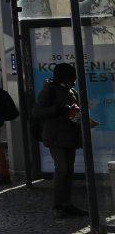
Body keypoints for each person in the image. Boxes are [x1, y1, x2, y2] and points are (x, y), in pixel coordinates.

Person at [33, 63, 86, 219]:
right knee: (62, 169)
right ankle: (58, 205)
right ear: (64, 77)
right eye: (72, 76)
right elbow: (37, 111)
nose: (74, 79)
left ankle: (67, 204)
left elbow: (75, 113)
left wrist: (82, 119)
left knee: (68, 170)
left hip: (70, 136)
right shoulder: (49, 90)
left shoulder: (71, 91)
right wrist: (57, 109)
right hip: (55, 136)